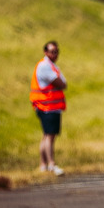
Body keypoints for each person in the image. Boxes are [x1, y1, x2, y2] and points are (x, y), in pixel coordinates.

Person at [30, 41, 67, 175]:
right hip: (47, 106)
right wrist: (62, 83)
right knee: (50, 136)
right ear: (46, 52)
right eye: (52, 51)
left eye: (56, 51)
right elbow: (61, 83)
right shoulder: (45, 66)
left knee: (46, 136)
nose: (55, 54)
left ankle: (43, 164)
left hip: (49, 105)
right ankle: (51, 164)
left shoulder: (50, 65)